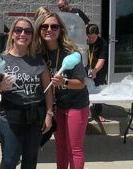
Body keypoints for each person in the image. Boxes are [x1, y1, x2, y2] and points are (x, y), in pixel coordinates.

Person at [0, 17, 54, 169]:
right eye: (18, 30)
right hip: (10, 116)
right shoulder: (0, 59)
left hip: (35, 116)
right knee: (9, 160)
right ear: (12, 34)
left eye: (27, 31)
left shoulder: (38, 60)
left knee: (30, 161)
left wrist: (49, 114)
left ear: (32, 36)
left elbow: (48, 89)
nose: (23, 34)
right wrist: (2, 85)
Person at [34, 12, 89, 169]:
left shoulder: (71, 53)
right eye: (45, 26)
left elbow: (80, 83)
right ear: (39, 30)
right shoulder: (39, 54)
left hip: (76, 105)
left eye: (54, 26)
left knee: (74, 148)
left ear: (60, 30)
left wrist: (63, 82)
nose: (49, 29)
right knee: (60, 146)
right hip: (56, 105)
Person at [85, 23, 108, 122]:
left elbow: (101, 59)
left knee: (98, 89)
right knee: (84, 89)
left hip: (99, 69)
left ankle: (97, 112)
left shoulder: (102, 43)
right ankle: (85, 110)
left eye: (93, 37)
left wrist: (95, 71)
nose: (90, 39)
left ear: (97, 35)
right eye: (89, 37)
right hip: (85, 67)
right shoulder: (83, 41)